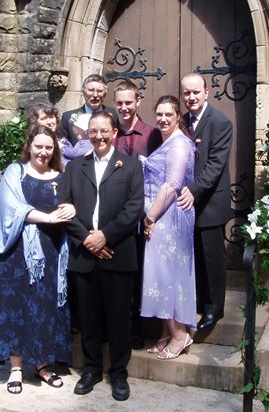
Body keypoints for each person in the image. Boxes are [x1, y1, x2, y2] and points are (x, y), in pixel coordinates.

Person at [59, 111, 144, 401]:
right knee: (88, 318)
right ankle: (92, 369)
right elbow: (64, 207)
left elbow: (133, 209)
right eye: (93, 131)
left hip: (118, 254)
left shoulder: (131, 166)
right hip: (84, 256)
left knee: (119, 319)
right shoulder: (74, 168)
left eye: (104, 131)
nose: (99, 136)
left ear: (114, 133)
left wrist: (105, 236)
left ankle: (119, 373)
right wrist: (87, 239)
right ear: (87, 134)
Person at [0, 126, 76, 394]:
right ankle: (16, 368)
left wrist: (72, 206)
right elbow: (12, 207)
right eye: (39, 146)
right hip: (18, 253)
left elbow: (72, 204)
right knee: (18, 306)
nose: (44, 152)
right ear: (30, 146)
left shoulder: (61, 176)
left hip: (50, 252)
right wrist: (47, 217)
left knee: (44, 306)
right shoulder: (16, 171)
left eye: (49, 147)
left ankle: (42, 365)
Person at [141, 95, 196, 359]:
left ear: (177, 117)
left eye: (168, 115)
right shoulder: (168, 141)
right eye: (159, 114)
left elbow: (172, 185)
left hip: (170, 217)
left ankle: (180, 335)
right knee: (161, 275)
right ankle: (166, 332)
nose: (163, 119)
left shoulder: (179, 145)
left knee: (168, 276)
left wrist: (150, 217)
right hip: (163, 215)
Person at [177, 73, 233, 330]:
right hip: (185, 205)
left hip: (209, 202)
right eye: (186, 93)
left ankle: (214, 309)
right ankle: (198, 302)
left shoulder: (220, 122)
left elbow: (214, 165)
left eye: (195, 92)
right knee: (193, 257)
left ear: (206, 92)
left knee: (211, 258)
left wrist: (193, 190)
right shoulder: (182, 122)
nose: (191, 97)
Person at [112, 80, 162, 350]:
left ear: (138, 101)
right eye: (119, 102)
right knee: (117, 275)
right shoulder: (110, 132)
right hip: (114, 215)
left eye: (128, 102)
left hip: (143, 215)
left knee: (140, 273)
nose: (124, 107)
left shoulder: (151, 134)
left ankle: (137, 327)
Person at [59, 74, 118, 145]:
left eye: (99, 91)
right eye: (91, 90)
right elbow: (63, 146)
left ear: (105, 94)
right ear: (83, 92)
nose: (95, 95)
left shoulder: (115, 115)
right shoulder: (67, 117)